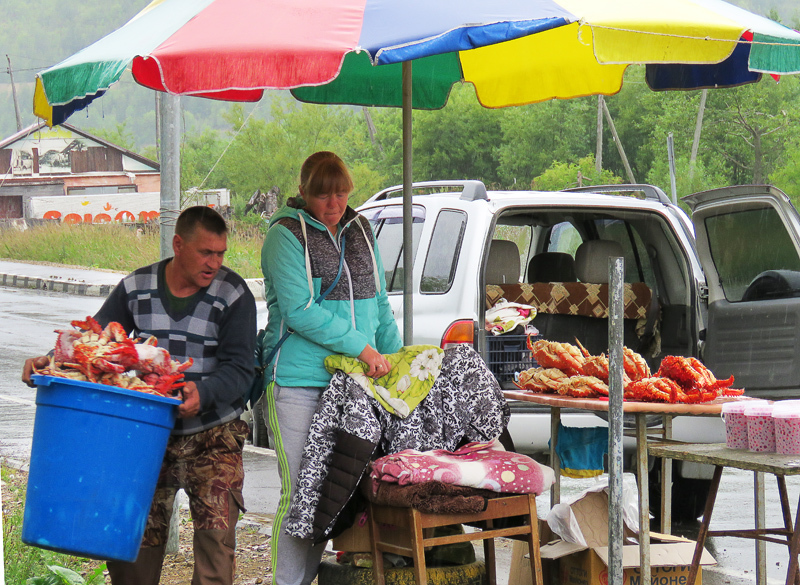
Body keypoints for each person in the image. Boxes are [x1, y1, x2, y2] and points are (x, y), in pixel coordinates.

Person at [22, 206, 257, 585]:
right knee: (132, 549)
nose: (215, 263)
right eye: (205, 252)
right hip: (144, 439)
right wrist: (48, 364)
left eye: (221, 253)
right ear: (178, 245)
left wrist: (205, 392)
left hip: (214, 437)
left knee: (216, 546)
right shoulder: (136, 287)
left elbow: (242, 370)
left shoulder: (234, 294)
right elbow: (93, 342)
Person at [260, 151, 402, 585]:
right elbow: (300, 311)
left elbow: (378, 302)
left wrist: (395, 359)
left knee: (331, 494)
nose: (334, 203)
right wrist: (363, 348)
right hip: (298, 381)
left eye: (340, 193)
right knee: (301, 492)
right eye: (323, 195)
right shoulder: (284, 236)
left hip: (355, 385)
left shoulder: (361, 229)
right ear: (303, 192)